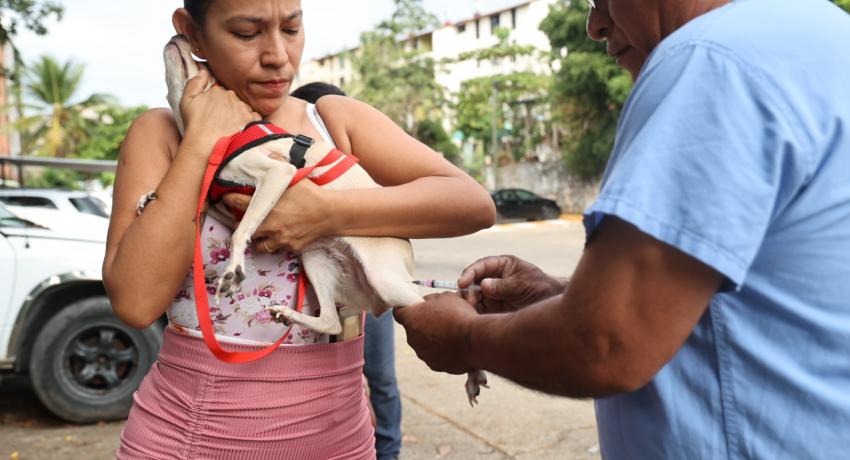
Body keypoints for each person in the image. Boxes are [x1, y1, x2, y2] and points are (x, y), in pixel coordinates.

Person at [394, 0, 850, 458]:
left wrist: (463, 339)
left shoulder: (710, 60)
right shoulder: (822, 30)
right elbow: (749, 303)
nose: (596, 25)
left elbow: (605, 343)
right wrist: (558, 295)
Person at [102, 1, 495, 458]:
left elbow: (471, 203)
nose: (277, 55)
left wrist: (326, 213)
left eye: (291, 27)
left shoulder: (332, 122)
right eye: (248, 33)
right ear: (193, 32)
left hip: (338, 439)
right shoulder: (161, 133)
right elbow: (134, 302)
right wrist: (200, 140)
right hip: (187, 439)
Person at [290, 80, 404, 460]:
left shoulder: (359, 161)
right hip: (322, 285)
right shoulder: (292, 158)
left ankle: (389, 453)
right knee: (333, 379)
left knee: (383, 379)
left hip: (366, 281)